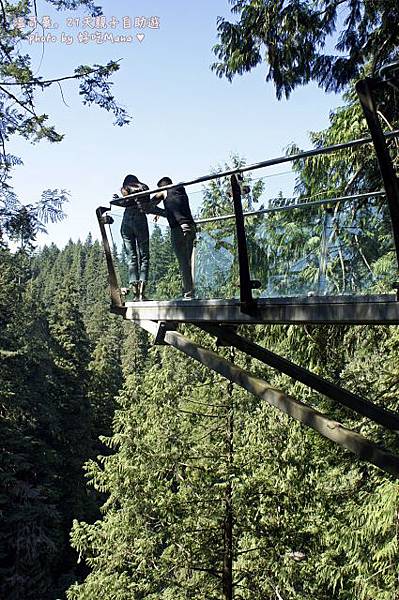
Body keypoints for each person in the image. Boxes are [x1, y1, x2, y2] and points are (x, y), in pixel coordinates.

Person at [150, 177, 196, 299]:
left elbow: (149, 206)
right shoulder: (181, 190)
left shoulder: (165, 191)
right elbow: (175, 207)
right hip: (191, 226)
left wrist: (159, 212)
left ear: (161, 187)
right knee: (190, 261)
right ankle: (190, 291)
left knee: (183, 262)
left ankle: (188, 293)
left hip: (178, 228)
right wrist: (166, 213)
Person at [111, 174, 150, 301]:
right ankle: (142, 293)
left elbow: (123, 201)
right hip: (139, 219)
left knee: (131, 257)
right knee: (144, 256)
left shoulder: (126, 191)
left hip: (126, 222)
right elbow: (147, 201)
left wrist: (119, 198)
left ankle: (134, 293)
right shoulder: (143, 187)